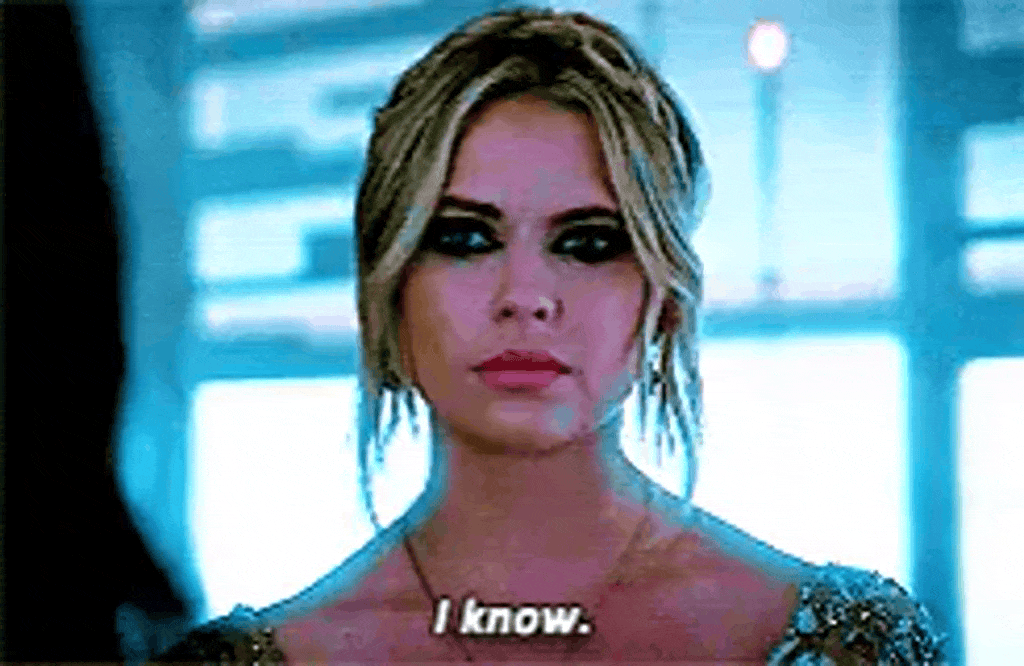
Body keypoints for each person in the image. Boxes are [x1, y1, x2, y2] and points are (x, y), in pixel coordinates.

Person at [152, 6, 947, 664]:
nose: (525, 298)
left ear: (664, 301)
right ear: (388, 291)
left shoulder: (850, 645)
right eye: (465, 238)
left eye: (589, 243)